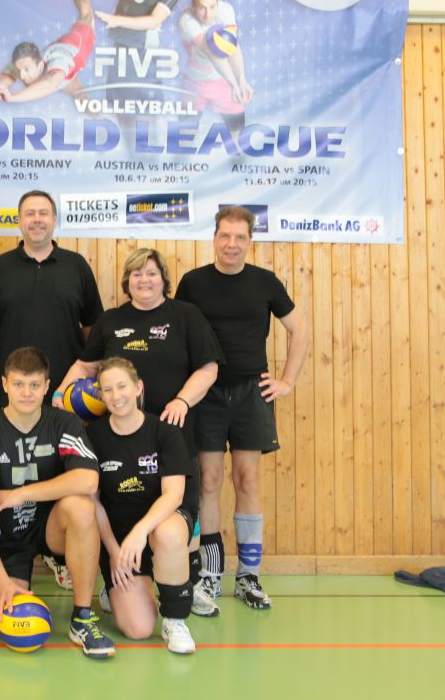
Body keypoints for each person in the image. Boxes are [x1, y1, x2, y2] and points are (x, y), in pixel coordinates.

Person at [54, 248, 222, 616]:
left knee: (181, 517)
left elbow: (208, 368)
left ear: (163, 279)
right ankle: (116, 582)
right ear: (127, 281)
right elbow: (86, 365)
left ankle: (187, 585)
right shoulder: (111, 321)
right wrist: (59, 395)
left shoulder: (185, 315)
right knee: (121, 509)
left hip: (172, 433)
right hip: (120, 438)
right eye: (136, 274)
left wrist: (182, 400)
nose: (143, 279)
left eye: (150, 273)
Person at [175, 206, 310, 610]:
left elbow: (299, 330)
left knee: (247, 481)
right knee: (210, 481)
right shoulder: (193, 282)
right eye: (225, 236)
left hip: (252, 393)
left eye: (240, 238)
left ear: (250, 242)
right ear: (214, 238)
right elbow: (178, 332)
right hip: (208, 393)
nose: (231, 244)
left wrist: (286, 381)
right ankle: (211, 574)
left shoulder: (265, 282)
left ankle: (249, 577)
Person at [0, 347, 116, 659]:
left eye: (34, 384)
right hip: (8, 539)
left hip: (52, 528)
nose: (26, 392)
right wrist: (2, 580)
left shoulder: (63, 424)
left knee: (82, 506)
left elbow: (88, 480)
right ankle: (0, 577)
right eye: (19, 384)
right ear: (4, 384)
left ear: (47, 386)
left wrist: (21, 493)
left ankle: (82, 617)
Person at [89, 358, 197, 653]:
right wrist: (114, 552)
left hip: (159, 524)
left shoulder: (165, 432)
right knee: (138, 629)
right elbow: (93, 502)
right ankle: (122, 588)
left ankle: (175, 619)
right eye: (107, 390)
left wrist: (141, 532)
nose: (116, 395)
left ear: (138, 387)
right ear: (101, 395)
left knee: (168, 533)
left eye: (122, 386)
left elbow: (173, 495)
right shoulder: (93, 436)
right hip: (120, 541)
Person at [0, 190, 103, 413]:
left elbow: (92, 328)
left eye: (43, 213)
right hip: (11, 392)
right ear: (19, 221)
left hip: (65, 392)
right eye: (30, 214)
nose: (37, 219)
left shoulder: (77, 266)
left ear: (54, 220)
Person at [0, 0, 95, 105]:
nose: (22, 76)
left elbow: (48, 85)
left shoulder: (59, 62)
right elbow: (3, 82)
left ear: (41, 66)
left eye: (26, 70)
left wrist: (12, 97)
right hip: (56, 55)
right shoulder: (21, 64)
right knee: (80, 95)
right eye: (19, 71)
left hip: (80, 39)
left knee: (86, 13)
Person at [94, 0, 182, 145]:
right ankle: (131, 147)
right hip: (121, 43)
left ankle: (149, 147)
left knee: (146, 104)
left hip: (143, 48)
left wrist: (118, 20)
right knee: (119, 103)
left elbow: (154, 21)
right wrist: (118, 17)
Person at [178, 0, 253, 134]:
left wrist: (242, 81)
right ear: (193, 6)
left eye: (212, 7)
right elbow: (213, 53)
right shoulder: (187, 21)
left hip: (222, 82)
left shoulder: (225, 10)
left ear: (218, 2)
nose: (208, 14)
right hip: (194, 83)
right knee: (184, 135)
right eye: (202, 8)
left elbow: (231, 47)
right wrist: (234, 84)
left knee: (238, 133)